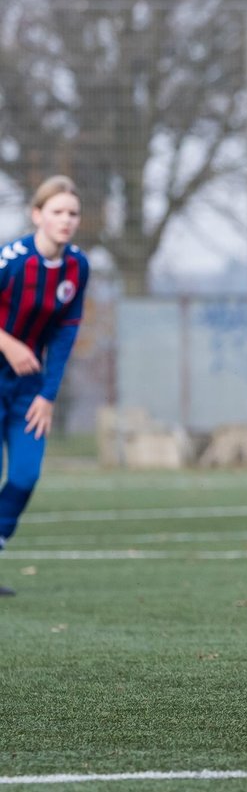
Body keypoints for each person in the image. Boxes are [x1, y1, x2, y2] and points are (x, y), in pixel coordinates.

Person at [0, 176, 91, 597]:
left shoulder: (77, 267)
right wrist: (10, 343)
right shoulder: (12, 259)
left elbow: (65, 335)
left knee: (24, 475)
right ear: (37, 215)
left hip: (28, 389)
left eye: (72, 213)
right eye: (57, 212)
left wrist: (48, 394)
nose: (66, 220)